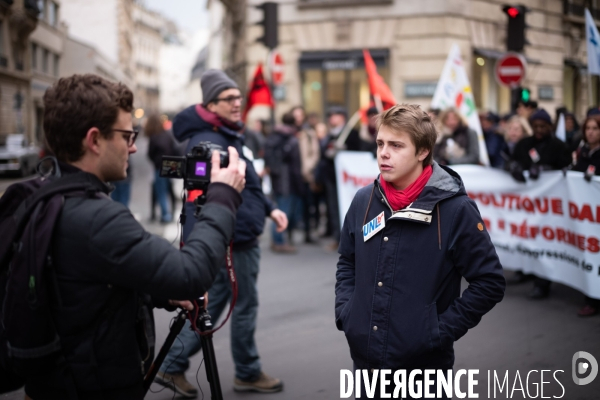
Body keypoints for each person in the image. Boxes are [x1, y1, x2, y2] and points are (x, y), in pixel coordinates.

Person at [20, 74, 245, 399]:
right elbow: (191, 275)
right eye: (127, 135)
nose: (134, 145)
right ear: (94, 140)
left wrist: (159, 294)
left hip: (53, 381)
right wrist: (223, 197)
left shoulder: (46, 194)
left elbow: (81, 282)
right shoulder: (97, 217)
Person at [335, 104, 505, 398]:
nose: (384, 153)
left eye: (396, 145)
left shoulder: (456, 209)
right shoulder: (364, 200)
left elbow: (489, 282)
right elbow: (347, 261)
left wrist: (436, 332)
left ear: (423, 151)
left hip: (424, 371)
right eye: (380, 143)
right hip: (365, 363)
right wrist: (347, 313)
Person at [156, 69, 287, 396]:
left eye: (239, 97)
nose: (237, 103)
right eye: (229, 99)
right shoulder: (211, 142)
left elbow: (249, 182)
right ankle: (246, 371)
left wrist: (269, 208)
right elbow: (214, 196)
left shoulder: (225, 134)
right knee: (241, 305)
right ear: (211, 104)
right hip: (235, 239)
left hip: (233, 235)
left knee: (212, 305)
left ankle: (173, 365)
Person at [510, 108, 571, 299]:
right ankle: (526, 270)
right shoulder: (524, 144)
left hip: (548, 206)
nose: (538, 130)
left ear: (549, 126)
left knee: (544, 240)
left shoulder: (558, 146)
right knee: (526, 236)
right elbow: (511, 161)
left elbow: (567, 169)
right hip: (526, 203)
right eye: (535, 126)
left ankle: (542, 283)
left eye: (542, 126)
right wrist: (514, 167)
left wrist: (547, 169)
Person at [317, 106, 362, 249]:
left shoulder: (352, 134)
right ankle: (339, 238)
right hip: (332, 179)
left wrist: (344, 150)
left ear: (342, 117)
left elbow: (358, 152)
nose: (331, 118)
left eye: (334, 115)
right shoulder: (329, 135)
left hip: (347, 181)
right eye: (330, 116)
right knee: (334, 209)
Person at [572, 115, 600, 317]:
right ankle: (591, 298)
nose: (590, 132)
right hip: (587, 217)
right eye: (588, 128)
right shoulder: (582, 153)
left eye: (595, 128)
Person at [265, 112, 304, 253]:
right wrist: (299, 183)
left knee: (280, 208)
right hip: (287, 181)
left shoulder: (274, 135)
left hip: (277, 179)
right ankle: (279, 241)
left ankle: (278, 240)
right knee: (284, 210)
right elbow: (295, 165)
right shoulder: (291, 139)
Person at [146, 114, 180, 223]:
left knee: (160, 191)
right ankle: (171, 212)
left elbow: (150, 154)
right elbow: (175, 149)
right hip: (170, 166)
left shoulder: (154, 137)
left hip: (159, 167)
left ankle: (165, 214)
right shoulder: (167, 134)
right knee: (169, 190)